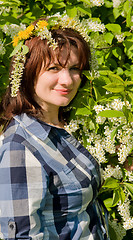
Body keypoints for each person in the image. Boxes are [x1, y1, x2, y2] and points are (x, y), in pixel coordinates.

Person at [0, 13, 109, 240]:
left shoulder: (63, 127)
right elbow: (22, 236)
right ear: (27, 72)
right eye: (53, 68)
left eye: (74, 68)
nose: (67, 80)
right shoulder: (20, 147)